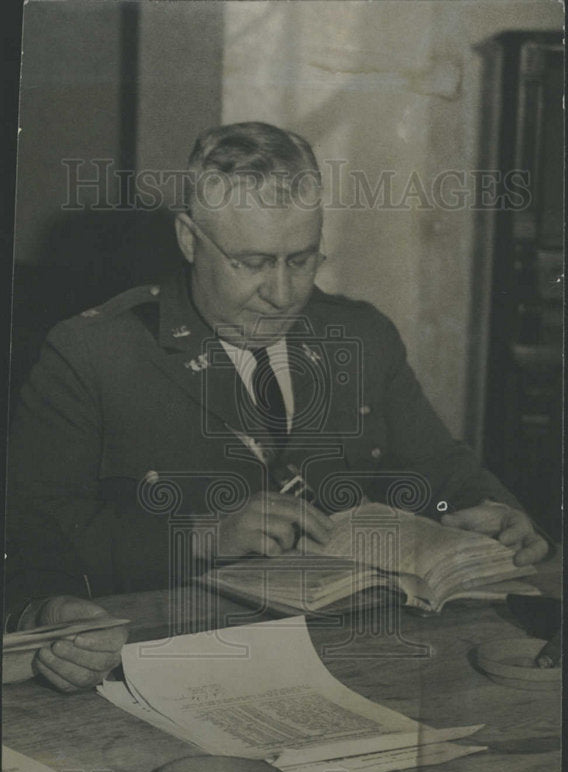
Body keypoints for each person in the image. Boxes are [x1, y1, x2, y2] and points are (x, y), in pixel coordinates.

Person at [4, 121, 549, 693]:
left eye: (302, 260)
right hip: (168, 663)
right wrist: (199, 536)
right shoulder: (95, 353)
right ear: (189, 239)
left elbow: (441, 475)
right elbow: (30, 534)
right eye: (253, 263)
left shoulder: (362, 336)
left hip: (358, 659)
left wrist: (496, 514)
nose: (283, 294)